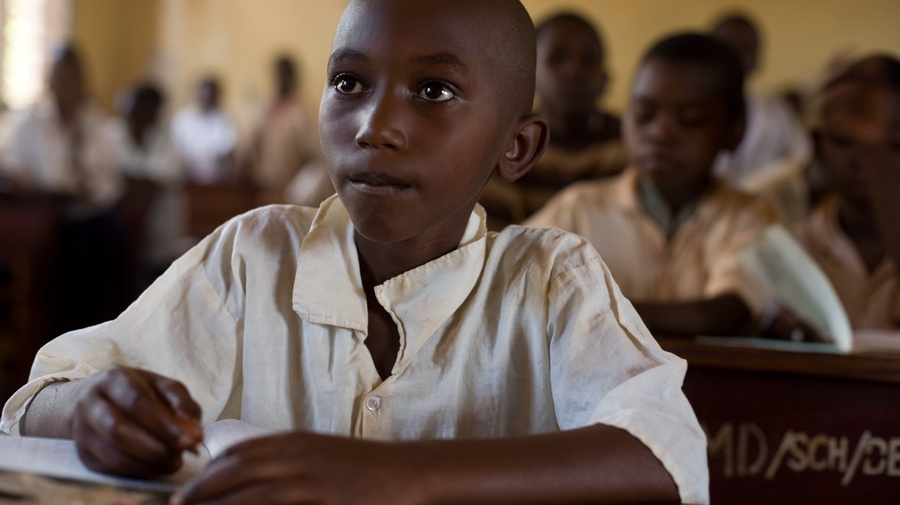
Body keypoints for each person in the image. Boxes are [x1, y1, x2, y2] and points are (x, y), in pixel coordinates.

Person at [1, 2, 708, 504]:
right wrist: (96, 407)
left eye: (433, 90)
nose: (376, 126)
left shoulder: (550, 279)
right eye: (349, 83)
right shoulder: (254, 256)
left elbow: (664, 453)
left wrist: (400, 475)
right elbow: (37, 401)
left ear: (516, 146)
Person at [528, 33, 780, 339]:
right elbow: (517, 284)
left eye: (689, 119)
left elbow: (725, 313)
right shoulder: (578, 209)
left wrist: (586, 309)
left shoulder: (752, 217)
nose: (660, 133)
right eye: (644, 115)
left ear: (733, 131)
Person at [0, 43, 132, 334]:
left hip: (89, 215)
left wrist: (85, 184)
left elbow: (109, 182)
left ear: (83, 83)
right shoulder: (32, 124)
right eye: (61, 78)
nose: (67, 86)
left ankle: (106, 327)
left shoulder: (96, 126)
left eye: (74, 78)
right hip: (45, 216)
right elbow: (13, 169)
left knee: (109, 234)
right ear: (50, 82)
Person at [480, 12, 626, 227]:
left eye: (589, 60)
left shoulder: (626, 142)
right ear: (530, 74)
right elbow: (495, 237)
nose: (574, 70)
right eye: (557, 58)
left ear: (605, 79)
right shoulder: (510, 145)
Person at [801, 54, 900, 330]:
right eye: (844, 142)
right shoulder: (792, 252)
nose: (863, 161)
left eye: (892, 145)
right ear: (818, 147)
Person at [710, 13, 812, 190]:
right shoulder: (690, 113)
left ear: (757, 58)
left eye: (745, 49)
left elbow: (802, 161)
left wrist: (760, 185)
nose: (735, 57)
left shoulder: (779, 114)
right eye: (726, 48)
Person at [106, 82, 190, 283]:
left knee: (155, 276)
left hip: (160, 224)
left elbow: (163, 179)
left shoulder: (167, 140)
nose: (138, 116)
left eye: (146, 111)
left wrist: (132, 180)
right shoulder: (113, 134)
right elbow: (107, 174)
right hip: (120, 225)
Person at [249, 55, 325, 206]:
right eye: (280, 74)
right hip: (263, 188)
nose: (283, 79)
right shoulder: (263, 108)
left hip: (293, 191)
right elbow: (252, 144)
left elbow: (313, 152)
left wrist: (300, 186)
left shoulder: (303, 110)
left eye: (287, 75)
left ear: (294, 77)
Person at [170, 76, 238, 185]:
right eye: (204, 94)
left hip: (217, 180)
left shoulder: (225, 119)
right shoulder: (183, 119)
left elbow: (228, 150)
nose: (207, 98)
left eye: (211, 95)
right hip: (186, 178)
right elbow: (176, 150)